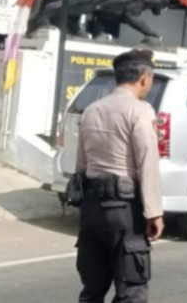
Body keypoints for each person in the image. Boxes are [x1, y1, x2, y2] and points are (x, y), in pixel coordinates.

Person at [75, 49, 164, 303]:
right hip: (124, 211)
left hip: (91, 211)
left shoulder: (91, 110)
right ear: (144, 78)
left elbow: (81, 164)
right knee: (131, 291)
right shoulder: (140, 111)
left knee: (92, 290)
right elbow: (147, 161)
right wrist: (154, 211)